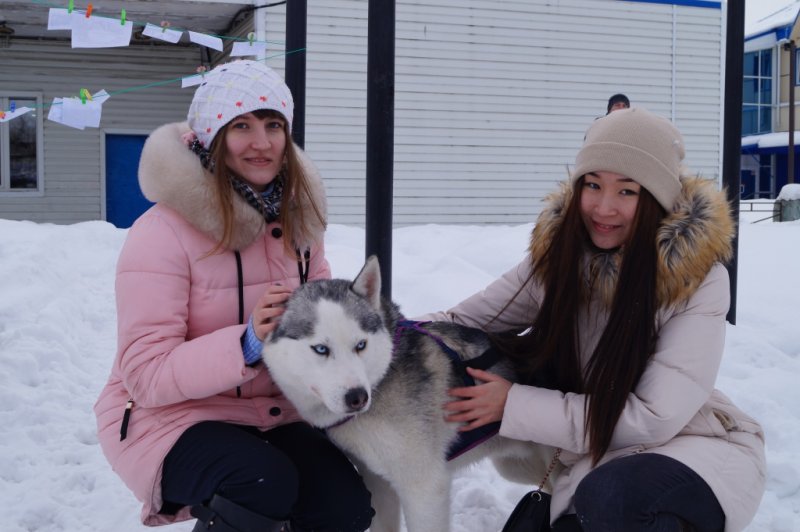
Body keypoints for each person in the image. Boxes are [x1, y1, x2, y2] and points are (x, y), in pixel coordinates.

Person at [427, 108, 766, 531]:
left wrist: (513, 403)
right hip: (594, 459)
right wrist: (365, 339)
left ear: (656, 198)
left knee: (617, 498)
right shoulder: (558, 262)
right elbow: (462, 320)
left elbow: (653, 417)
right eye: (593, 185)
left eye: (627, 191)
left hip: (692, 449)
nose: (604, 208)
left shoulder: (697, 280)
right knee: (601, 499)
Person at [94, 60, 374, 532]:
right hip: (166, 418)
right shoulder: (160, 234)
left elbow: (323, 326)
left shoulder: (301, 225)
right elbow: (144, 375)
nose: (261, 142)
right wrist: (246, 342)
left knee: (343, 508)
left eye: (273, 125)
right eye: (241, 126)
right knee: (264, 481)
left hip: (271, 412)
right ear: (211, 137)